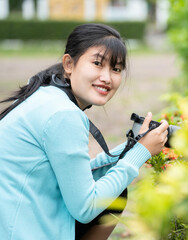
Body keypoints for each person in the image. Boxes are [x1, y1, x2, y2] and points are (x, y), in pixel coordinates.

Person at [0, 23, 169, 240]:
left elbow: (72, 175)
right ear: (69, 64)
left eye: (116, 69)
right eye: (97, 64)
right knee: (113, 197)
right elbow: (86, 206)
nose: (107, 77)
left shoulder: (47, 95)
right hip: (23, 232)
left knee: (113, 189)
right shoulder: (63, 114)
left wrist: (133, 147)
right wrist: (139, 154)